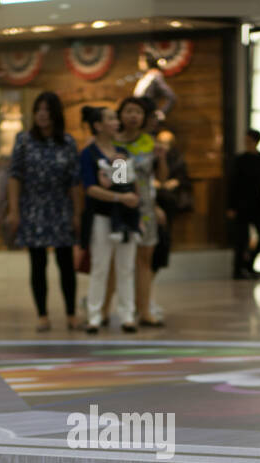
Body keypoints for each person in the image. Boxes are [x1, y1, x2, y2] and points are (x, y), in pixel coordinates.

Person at [6, 91, 83, 333]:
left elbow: (74, 181)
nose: (42, 115)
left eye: (47, 110)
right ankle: (42, 315)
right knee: (37, 263)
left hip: (60, 207)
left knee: (65, 263)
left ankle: (71, 314)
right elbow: (15, 176)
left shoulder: (68, 142)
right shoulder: (24, 140)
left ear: (56, 114)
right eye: (39, 110)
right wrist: (14, 210)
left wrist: (77, 213)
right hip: (33, 208)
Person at [104, 96, 166, 329]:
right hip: (120, 206)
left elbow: (160, 178)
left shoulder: (150, 143)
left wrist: (162, 159)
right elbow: (114, 179)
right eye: (128, 111)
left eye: (138, 112)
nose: (133, 116)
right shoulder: (112, 143)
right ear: (120, 115)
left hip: (146, 208)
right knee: (114, 261)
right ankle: (103, 309)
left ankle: (144, 310)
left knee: (144, 260)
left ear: (144, 118)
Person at [79, 105, 139, 333]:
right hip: (101, 216)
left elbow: (124, 183)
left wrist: (124, 193)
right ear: (98, 125)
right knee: (100, 266)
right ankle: (94, 314)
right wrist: (117, 196)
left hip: (124, 218)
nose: (116, 122)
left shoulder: (121, 152)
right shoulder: (89, 153)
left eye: (116, 118)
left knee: (125, 267)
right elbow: (90, 188)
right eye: (111, 119)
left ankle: (127, 314)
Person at [151, 124, 190, 319]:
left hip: (164, 206)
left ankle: (145, 301)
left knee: (158, 252)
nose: (163, 146)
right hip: (138, 207)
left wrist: (169, 182)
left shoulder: (172, 158)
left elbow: (172, 176)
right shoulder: (134, 150)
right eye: (160, 142)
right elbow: (122, 181)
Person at [228, 129, 260, 279]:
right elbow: (233, 184)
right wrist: (231, 206)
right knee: (241, 239)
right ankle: (238, 269)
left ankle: (250, 263)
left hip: (259, 205)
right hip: (241, 205)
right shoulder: (240, 160)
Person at [133, 53, 176, 123]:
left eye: (141, 61)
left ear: (148, 62)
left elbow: (171, 97)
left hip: (148, 116)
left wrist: (161, 113)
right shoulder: (145, 76)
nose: (139, 63)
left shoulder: (155, 76)